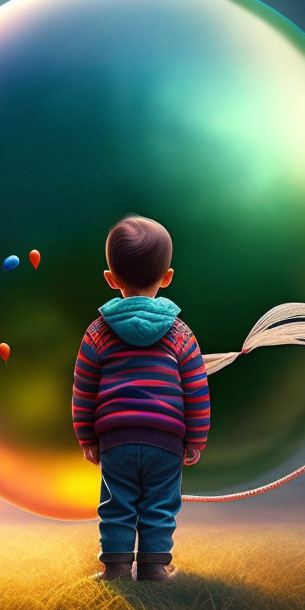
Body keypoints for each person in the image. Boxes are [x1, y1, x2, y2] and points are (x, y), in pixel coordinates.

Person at [72, 215, 211, 582]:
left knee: (117, 504)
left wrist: (87, 437)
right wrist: (195, 438)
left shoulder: (97, 332)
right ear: (166, 278)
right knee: (160, 506)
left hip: (115, 440)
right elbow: (196, 389)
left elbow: (84, 389)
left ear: (111, 279)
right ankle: (154, 567)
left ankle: (115, 568)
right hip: (166, 440)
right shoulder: (181, 333)